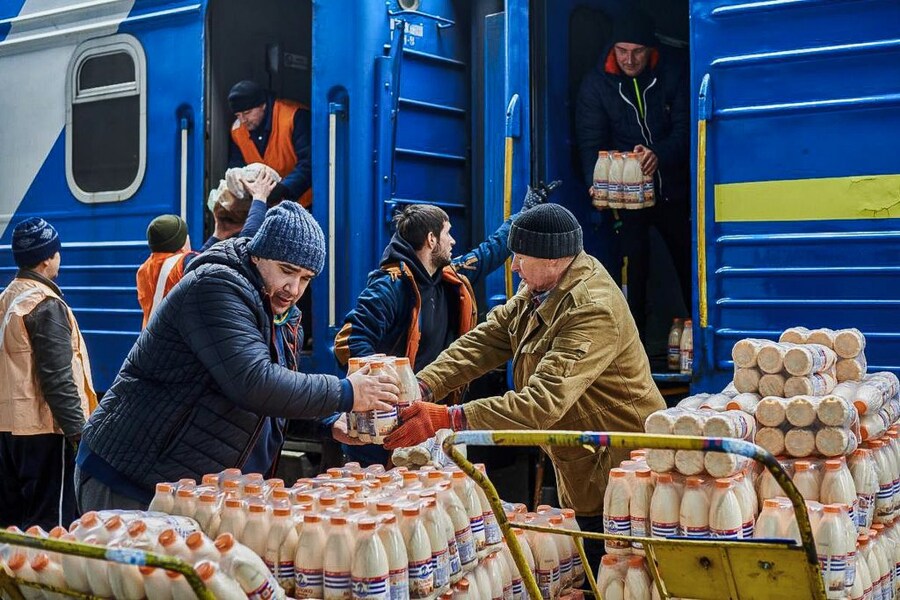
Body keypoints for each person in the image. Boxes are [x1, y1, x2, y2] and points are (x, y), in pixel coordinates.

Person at [384, 203, 665, 566]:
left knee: (614, 570)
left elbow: (541, 404)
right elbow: (487, 339)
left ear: (553, 259)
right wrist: (422, 385)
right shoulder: (542, 287)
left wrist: (446, 418)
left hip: (621, 476)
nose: (514, 266)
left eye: (520, 257)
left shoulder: (592, 308)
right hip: (585, 465)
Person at [76, 202, 399, 511]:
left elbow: (270, 406)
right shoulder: (216, 286)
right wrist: (346, 392)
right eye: (287, 271)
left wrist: (327, 423)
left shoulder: (284, 319)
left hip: (190, 491)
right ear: (258, 255)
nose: (294, 288)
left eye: (305, 278)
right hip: (131, 479)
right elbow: (253, 382)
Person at [331, 184, 555, 464]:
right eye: (447, 233)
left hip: (427, 420)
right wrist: (385, 391)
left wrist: (523, 215)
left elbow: (490, 251)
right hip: (384, 433)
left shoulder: (449, 276)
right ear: (431, 239)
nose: (453, 241)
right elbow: (352, 340)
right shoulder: (389, 286)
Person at [574, 8, 690, 340]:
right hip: (626, 199)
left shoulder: (672, 73)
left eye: (637, 51)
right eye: (622, 50)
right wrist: (594, 183)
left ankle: (696, 336)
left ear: (650, 49)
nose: (629, 59)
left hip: (672, 191)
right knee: (632, 273)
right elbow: (590, 142)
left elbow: (686, 132)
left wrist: (659, 154)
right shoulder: (597, 84)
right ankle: (632, 347)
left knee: (688, 263)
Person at [0, 218, 96, 529]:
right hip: (42, 430)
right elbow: (57, 377)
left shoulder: (8, 298)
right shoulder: (44, 304)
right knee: (50, 524)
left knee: (13, 523)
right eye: (57, 252)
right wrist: (78, 433)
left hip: (8, 429)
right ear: (46, 259)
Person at [136, 171, 277, 327]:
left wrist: (219, 234)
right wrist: (259, 199)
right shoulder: (180, 264)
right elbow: (242, 250)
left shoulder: (146, 269)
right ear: (183, 242)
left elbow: (199, 261)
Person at [228, 80, 312, 207]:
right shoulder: (237, 130)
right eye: (238, 115)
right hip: (264, 206)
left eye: (247, 113)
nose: (243, 120)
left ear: (263, 105)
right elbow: (237, 166)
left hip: (303, 203)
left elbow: (309, 163)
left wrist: (283, 188)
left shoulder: (294, 116)